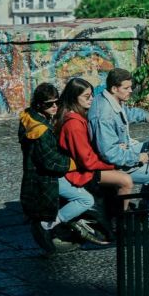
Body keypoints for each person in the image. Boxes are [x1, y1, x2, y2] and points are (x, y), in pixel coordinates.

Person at [18, 82, 105, 245]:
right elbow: (51, 162)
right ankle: (48, 224)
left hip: (37, 175)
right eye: (49, 104)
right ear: (39, 104)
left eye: (57, 102)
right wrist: (76, 163)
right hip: (46, 179)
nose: (54, 106)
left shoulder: (30, 118)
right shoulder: (40, 131)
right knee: (86, 200)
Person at [87, 68, 149, 209]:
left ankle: (146, 203)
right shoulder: (104, 115)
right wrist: (137, 157)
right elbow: (110, 154)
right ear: (114, 88)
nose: (130, 90)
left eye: (131, 87)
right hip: (117, 164)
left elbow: (126, 113)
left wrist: (148, 116)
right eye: (126, 88)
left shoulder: (109, 98)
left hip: (123, 150)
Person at [55, 77, 135, 214]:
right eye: (86, 96)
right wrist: (112, 164)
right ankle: (119, 219)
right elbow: (87, 161)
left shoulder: (79, 116)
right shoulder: (74, 124)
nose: (91, 99)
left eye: (91, 95)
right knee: (125, 180)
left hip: (85, 166)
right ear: (74, 97)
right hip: (79, 172)